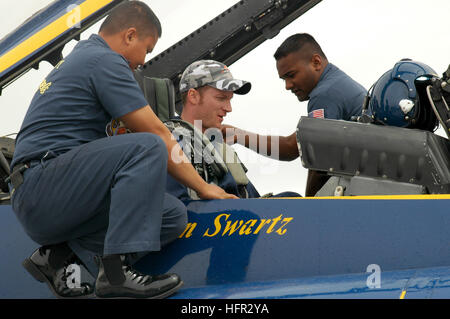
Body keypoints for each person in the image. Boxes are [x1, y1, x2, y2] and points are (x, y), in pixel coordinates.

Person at [9, 1, 236, 299]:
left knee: (170, 215)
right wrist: (204, 187)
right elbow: (155, 132)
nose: (142, 62)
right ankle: (115, 275)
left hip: (56, 194)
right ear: (130, 35)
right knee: (149, 145)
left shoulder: (87, 59)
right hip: (42, 185)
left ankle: (57, 257)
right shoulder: (103, 60)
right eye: (147, 48)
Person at [223, 33, 367, 196]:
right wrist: (237, 135)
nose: (288, 86)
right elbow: (294, 144)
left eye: (291, 75)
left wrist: (308, 207)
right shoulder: (335, 83)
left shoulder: (324, 94)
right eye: (283, 79)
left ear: (316, 62)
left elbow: (317, 163)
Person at [165, 60, 261, 199]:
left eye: (230, 100)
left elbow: (255, 202)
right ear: (193, 96)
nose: (229, 108)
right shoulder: (172, 143)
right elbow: (177, 211)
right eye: (221, 98)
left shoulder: (222, 150)